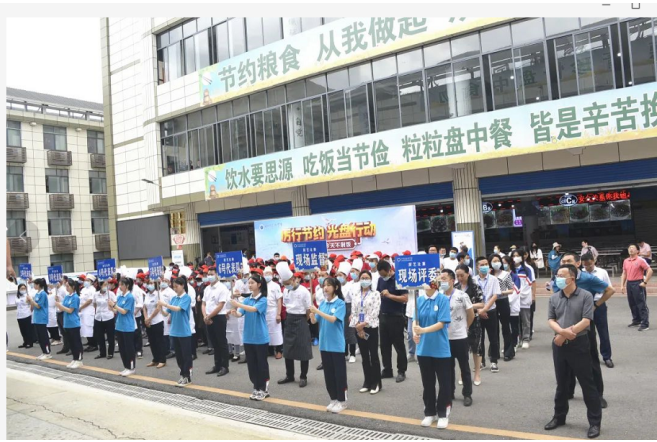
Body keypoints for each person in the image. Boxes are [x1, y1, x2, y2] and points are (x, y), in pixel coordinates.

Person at [545, 264, 602, 439]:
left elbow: (586, 321)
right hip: (559, 344)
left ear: (572, 278)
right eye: (557, 275)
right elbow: (551, 319)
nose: (558, 278)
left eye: (561, 275)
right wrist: (562, 333)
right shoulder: (554, 297)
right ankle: (559, 416)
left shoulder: (585, 296)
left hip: (579, 343)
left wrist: (566, 334)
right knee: (562, 383)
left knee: (587, 383)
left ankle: (594, 422)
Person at [413, 270, 452, 429]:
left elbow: (442, 323)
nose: (426, 284)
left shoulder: (442, 299)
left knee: (444, 383)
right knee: (428, 383)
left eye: (429, 281)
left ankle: (443, 414)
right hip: (424, 349)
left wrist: (423, 330)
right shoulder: (419, 300)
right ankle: (430, 412)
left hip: (440, 349)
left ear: (435, 284)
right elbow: (415, 319)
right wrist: (415, 331)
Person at [309, 277, 348, 413]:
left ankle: (342, 401)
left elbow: (333, 319)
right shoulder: (323, 303)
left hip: (336, 344)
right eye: (324, 285)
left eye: (328, 285)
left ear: (335, 287)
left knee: (339, 374)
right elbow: (315, 321)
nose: (325, 288)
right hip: (324, 344)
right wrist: (312, 315)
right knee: (329, 374)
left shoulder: (340, 303)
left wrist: (317, 311)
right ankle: (333, 399)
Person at [230, 274, 270, 401]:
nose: (250, 285)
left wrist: (238, 304)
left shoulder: (263, 300)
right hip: (248, 337)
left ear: (259, 284)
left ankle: (263, 389)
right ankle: (256, 387)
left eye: (252, 282)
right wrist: (234, 312)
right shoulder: (247, 300)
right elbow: (240, 314)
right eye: (249, 283)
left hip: (260, 337)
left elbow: (253, 309)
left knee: (261, 364)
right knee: (252, 365)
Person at [440, 269, 474, 407]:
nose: (441, 281)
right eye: (440, 279)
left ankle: (467, 394)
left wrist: (465, 327)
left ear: (452, 280)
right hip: (444, 337)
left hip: (460, 337)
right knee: (447, 367)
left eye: (444, 279)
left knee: (464, 366)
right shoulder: (439, 296)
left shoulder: (462, 295)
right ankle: (449, 392)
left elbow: (471, 314)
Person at [278, 263, 313, 388]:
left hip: (301, 318)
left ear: (293, 279)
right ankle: (289, 375)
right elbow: (286, 305)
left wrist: (304, 320)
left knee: (303, 349)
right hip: (289, 318)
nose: (285, 285)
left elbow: (308, 309)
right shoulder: (285, 290)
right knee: (288, 349)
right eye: (284, 283)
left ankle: (303, 376)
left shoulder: (304, 291)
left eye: (287, 282)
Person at [350, 270, 382, 394]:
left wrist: (364, 324)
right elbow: (353, 311)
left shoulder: (375, 294)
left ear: (370, 279)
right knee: (364, 356)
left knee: (373, 355)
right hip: (358, 327)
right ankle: (367, 382)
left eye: (366, 278)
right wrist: (358, 326)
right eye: (362, 278)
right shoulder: (356, 294)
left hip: (371, 327)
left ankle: (376, 382)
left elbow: (375, 311)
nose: (364, 280)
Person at [376, 259, 408, 383]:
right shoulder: (380, 280)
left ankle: (401, 371)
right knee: (384, 345)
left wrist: (389, 295)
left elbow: (405, 298)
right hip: (383, 315)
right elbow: (378, 294)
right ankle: (387, 369)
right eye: (380, 275)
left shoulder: (399, 279)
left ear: (390, 271)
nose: (383, 277)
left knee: (399, 345)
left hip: (396, 316)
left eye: (384, 274)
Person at [580, 254, 613, 369]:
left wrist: (596, 305)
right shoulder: (580, 273)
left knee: (603, 331)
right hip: (584, 305)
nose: (588, 267)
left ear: (594, 261)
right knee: (588, 333)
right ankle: (591, 357)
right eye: (585, 265)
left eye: (589, 264)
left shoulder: (602, 272)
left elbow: (609, 290)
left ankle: (607, 356)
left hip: (598, 304)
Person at [454, 264, 484, 385]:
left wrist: (468, 305)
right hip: (458, 321)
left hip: (474, 320)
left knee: (476, 347)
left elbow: (481, 304)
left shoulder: (475, 286)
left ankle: (477, 374)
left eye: (462, 275)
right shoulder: (455, 287)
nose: (460, 278)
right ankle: (463, 373)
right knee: (462, 349)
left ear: (468, 274)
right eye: (457, 276)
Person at [202, 267, 230, 377]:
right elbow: (203, 303)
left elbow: (220, 305)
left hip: (219, 317)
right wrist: (205, 316)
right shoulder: (207, 288)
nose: (209, 276)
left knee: (221, 342)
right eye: (208, 274)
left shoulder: (222, 288)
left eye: (212, 274)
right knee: (214, 342)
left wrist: (209, 316)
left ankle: (224, 366)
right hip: (208, 317)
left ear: (217, 275)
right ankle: (217, 365)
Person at [475, 257, 501, 373]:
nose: (485, 266)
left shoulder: (494, 279)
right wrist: (479, 311)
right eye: (482, 265)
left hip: (491, 311)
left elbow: (495, 295)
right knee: (479, 338)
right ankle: (481, 361)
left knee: (493, 338)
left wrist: (485, 309)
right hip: (477, 313)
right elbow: (472, 297)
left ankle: (494, 361)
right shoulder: (473, 280)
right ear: (477, 267)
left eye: (486, 264)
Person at [621, 243, 652, 332]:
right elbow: (624, 273)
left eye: (633, 248)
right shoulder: (626, 261)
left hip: (637, 283)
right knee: (632, 303)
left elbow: (649, 270)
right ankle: (636, 320)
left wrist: (645, 282)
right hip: (629, 283)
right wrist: (622, 285)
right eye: (629, 248)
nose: (631, 249)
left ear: (637, 251)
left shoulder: (640, 260)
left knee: (641, 303)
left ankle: (645, 323)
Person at [489, 254, 514, 362]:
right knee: (493, 328)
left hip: (503, 301)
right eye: (494, 261)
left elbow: (511, 289)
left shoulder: (505, 274)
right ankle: (494, 352)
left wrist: (501, 292)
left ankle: (508, 352)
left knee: (505, 327)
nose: (496, 263)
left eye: (498, 261)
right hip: (491, 303)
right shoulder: (488, 275)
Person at [111, 277, 137, 377]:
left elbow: (124, 311)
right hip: (119, 325)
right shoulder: (119, 297)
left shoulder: (130, 297)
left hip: (128, 326)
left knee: (129, 348)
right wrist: (111, 307)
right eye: (119, 284)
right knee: (122, 348)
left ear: (127, 285)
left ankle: (131, 367)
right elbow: (116, 311)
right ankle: (126, 367)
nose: (120, 286)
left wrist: (114, 306)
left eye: (122, 284)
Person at [55, 279, 84, 369]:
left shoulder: (75, 297)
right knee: (71, 343)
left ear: (73, 287)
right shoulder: (67, 297)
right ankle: (74, 358)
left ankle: (79, 360)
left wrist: (61, 306)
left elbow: (70, 310)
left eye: (68, 286)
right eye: (66, 286)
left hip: (74, 323)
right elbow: (61, 309)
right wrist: (58, 303)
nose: (66, 288)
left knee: (76, 342)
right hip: (67, 323)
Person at [512, 249, 535, 349]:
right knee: (515, 321)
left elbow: (530, 284)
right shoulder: (510, 270)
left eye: (517, 256)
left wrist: (529, 295)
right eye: (513, 256)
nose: (515, 258)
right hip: (513, 299)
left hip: (524, 298)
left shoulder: (528, 269)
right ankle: (517, 339)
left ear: (522, 257)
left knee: (525, 320)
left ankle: (526, 339)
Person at [26, 278, 51, 360]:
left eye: (35, 284)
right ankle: (43, 352)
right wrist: (29, 301)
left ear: (39, 285)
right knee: (39, 337)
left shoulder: (43, 294)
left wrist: (31, 301)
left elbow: (39, 306)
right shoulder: (37, 293)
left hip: (42, 318)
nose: (34, 286)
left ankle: (47, 352)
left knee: (43, 336)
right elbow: (33, 304)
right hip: (36, 318)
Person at [143, 280, 166, 369]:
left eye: (151, 283)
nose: (149, 285)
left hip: (157, 321)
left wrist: (150, 318)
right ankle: (155, 359)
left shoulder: (158, 294)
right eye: (148, 283)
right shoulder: (147, 295)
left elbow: (158, 308)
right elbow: (144, 307)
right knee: (152, 341)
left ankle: (162, 360)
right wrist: (146, 318)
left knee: (159, 341)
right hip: (148, 321)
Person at [93, 281, 117, 360]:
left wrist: (111, 307)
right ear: (100, 285)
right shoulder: (96, 294)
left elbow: (115, 304)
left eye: (107, 285)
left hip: (108, 317)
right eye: (105, 285)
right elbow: (94, 304)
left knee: (110, 336)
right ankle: (102, 353)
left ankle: (110, 353)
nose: (106, 286)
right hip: (98, 317)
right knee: (100, 336)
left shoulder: (111, 294)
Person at [264, 267, 283, 359]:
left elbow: (279, 299)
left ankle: (279, 350)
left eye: (269, 273)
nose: (267, 275)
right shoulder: (261, 285)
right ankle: (269, 350)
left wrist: (278, 313)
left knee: (276, 331)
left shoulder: (276, 285)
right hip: (264, 311)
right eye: (266, 274)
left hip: (273, 310)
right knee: (266, 331)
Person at [79, 275, 98, 352]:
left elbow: (89, 301)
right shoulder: (83, 289)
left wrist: (81, 307)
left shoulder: (93, 289)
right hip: (83, 311)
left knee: (90, 327)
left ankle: (94, 345)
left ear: (91, 282)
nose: (85, 282)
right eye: (85, 280)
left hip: (89, 310)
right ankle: (90, 342)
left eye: (88, 280)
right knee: (84, 328)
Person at [160, 276, 176, 359]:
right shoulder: (159, 291)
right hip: (160, 315)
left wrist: (170, 316)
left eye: (165, 281)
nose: (163, 282)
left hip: (168, 315)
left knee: (169, 333)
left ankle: (172, 350)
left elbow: (173, 305)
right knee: (163, 333)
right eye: (162, 280)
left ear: (169, 282)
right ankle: (165, 350)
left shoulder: (171, 292)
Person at [15, 283, 35, 349]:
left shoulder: (28, 295)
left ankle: (30, 342)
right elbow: (16, 304)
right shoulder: (17, 296)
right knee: (22, 330)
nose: (23, 290)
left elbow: (32, 304)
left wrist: (31, 309)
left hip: (26, 314)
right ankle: (25, 342)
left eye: (24, 288)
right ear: (19, 289)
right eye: (22, 288)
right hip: (19, 315)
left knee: (28, 330)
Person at [56, 276, 71, 355]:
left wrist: (60, 303)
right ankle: (65, 347)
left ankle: (70, 347)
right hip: (58, 311)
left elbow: (67, 301)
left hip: (63, 311)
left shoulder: (63, 290)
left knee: (66, 331)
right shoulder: (56, 290)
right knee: (62, 331)